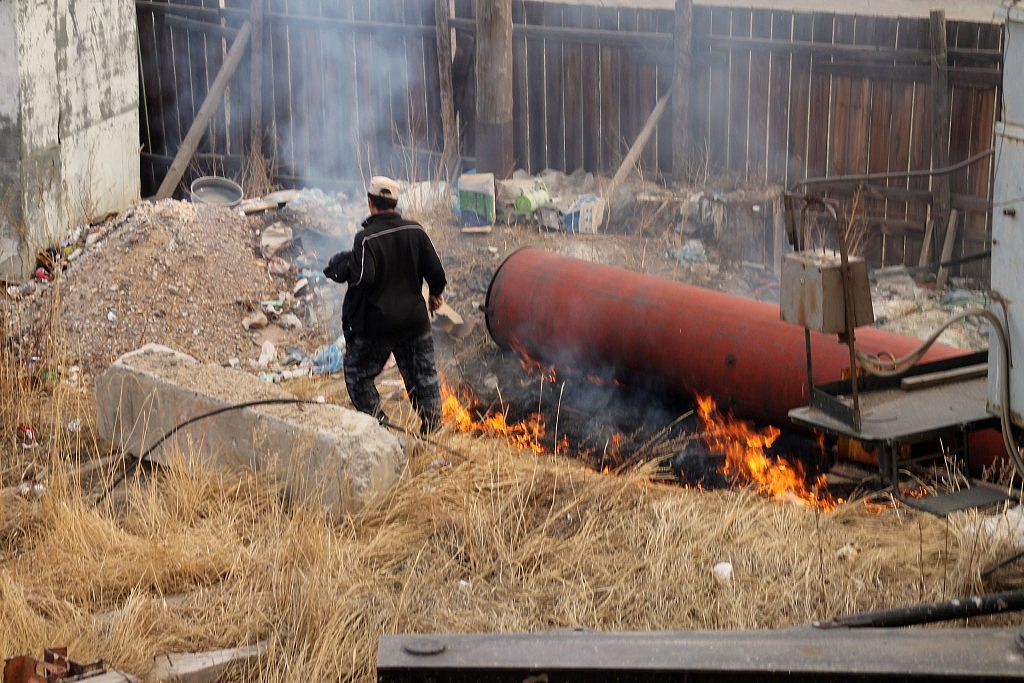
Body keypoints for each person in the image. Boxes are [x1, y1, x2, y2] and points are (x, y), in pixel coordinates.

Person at [323, 176, 447, 434]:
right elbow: (436, 272)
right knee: (423, 378)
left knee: (357, 375)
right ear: (395, 203)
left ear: (371, 203)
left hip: (378, 326)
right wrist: (435, 294)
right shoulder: (416, 231)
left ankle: (379, 427)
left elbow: (362, 277)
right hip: (414, 321)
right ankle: (434, 428)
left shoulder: (365, 239)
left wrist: (346, 265)